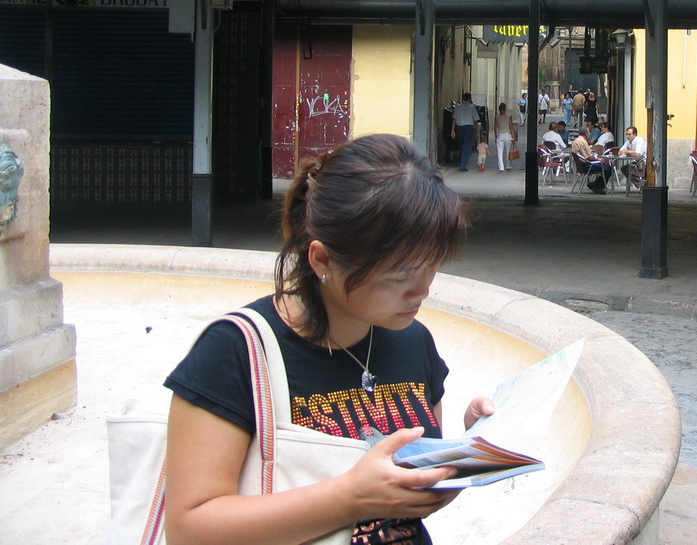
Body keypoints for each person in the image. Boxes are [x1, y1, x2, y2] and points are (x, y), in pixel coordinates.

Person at [163, 135, 494, 545]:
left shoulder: (413, 341)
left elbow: (409, 500)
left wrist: (466, 454)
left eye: (431, 268)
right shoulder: (235, 351)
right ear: (322, 260)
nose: (421, 291)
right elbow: (188, 529)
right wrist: (350, 498)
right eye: (398, 277)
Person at [450, 92, 480, 172]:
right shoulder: (472, 108)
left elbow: (454, 119)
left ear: (463, 99)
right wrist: (477, 133)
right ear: (470, 99)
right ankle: (463, 166)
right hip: (469, 128)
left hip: (459, 128)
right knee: (466, 147)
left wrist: (452, 130)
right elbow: (476, 121)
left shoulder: (458, 107)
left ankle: (461, 161)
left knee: (461, 145)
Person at [492, 102, 517, 172]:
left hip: (500, 135)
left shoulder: (496, 117)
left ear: (499, 109)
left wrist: (495, 136)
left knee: (499, 152)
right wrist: (513, 136)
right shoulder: (509, 116)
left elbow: (495, 128)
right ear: (505, 109)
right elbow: (511, 127)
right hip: (508, 135)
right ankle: (508, 166)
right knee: (508, 151)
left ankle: (501, 167)